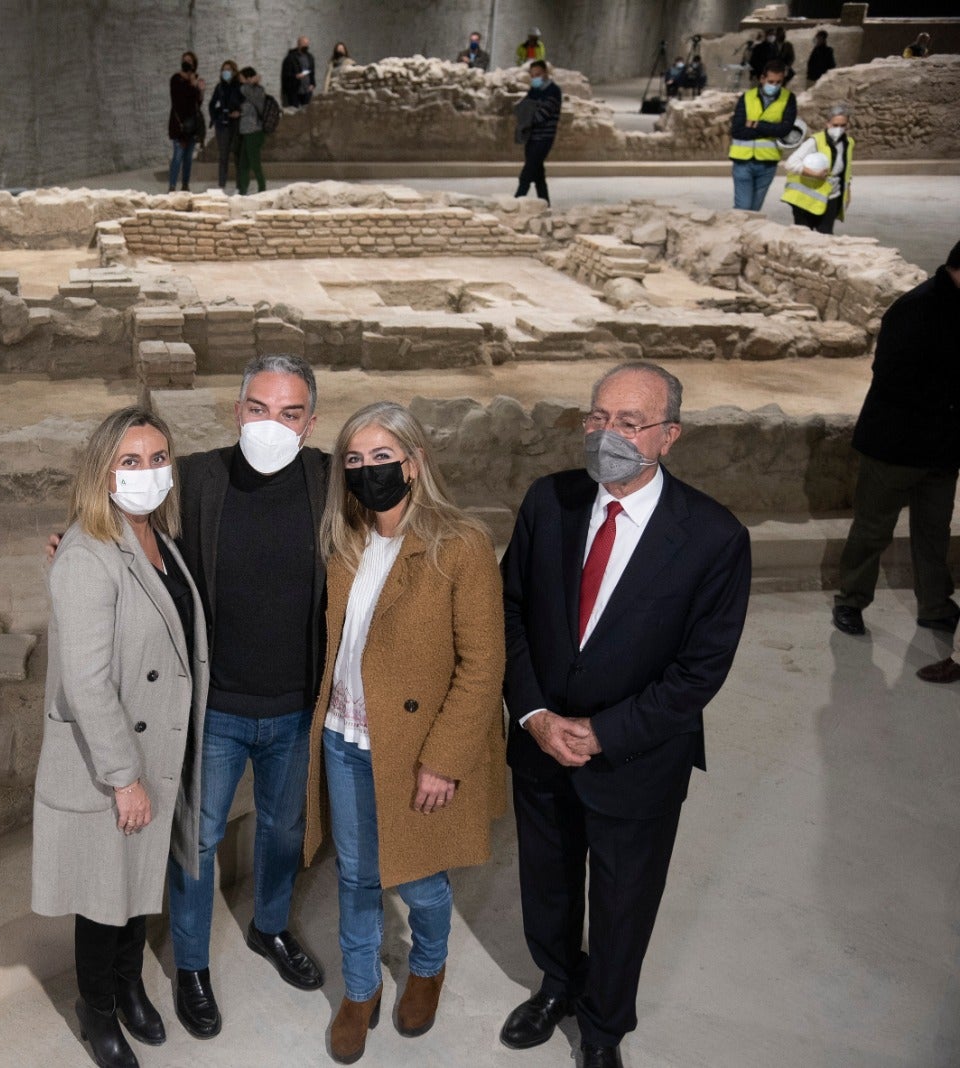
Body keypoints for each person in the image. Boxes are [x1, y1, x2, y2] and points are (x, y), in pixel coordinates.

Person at [499, 362, 752, 1068]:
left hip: (637, 761)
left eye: (630, 423)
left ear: (669, 436)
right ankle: (556, 984)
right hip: (540, 744)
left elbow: (700, 669)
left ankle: (604, 1027)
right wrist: (535, 715)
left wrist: (605, 731)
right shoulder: (548, 501)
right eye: (598, 418)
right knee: (546, 883)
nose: (608, 435)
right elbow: (511, 611)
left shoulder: (713, 537)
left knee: (622, 902)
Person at [303, 402, 507, 1064]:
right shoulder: (346, 539)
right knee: (358, 876)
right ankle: (359, 992)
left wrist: (444, 760)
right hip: (344, 736)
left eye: (382, 457)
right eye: (355, 461)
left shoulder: (460, 544)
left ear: (414, 464)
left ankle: (429, 967)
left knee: (417, 875)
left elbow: (483, 667)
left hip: (415, 748)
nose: (369, 472)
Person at [32, 405, 209, 1068]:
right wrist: (124, 776)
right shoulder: (86, 554)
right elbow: (86, 682)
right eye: (130, 461)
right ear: (102, 472)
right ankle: (97, 1010)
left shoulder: (158, 536)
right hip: (113, 762)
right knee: (104, 897)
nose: (147, 472)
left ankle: (131, 985)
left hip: (157, 747)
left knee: (138, 885)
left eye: (158, 458)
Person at [167, 354, 330, 1036]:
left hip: (295, 704)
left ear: (311, 422)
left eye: (290, 413)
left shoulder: (328, 481)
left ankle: (269, 928)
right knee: (198, 840)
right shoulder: (199, 477)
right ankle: (193, 966)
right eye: (259, 409)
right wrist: (80, 540)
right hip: (218, 706)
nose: (272, 424)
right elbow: (136, 528)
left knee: (283, 829)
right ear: (237, 412)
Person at [832, 241, 960, 639]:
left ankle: (934, 605)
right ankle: (851, 601)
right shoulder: (915, 308)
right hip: (897, 445)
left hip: (943, 448)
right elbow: (890, 375)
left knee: (934, 531)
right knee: (872, 529)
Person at [727, 60, 796, 212]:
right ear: (762, 79)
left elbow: (784, 130)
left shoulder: (788, 99)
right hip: (743, 160)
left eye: (779, 82)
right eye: (771, 81)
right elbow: (737, 130)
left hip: (767, 163)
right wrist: (771, 128)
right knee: (743, 208)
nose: (775, 85)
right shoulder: (747, 97)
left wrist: (755, 124)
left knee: (754, 211)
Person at [781, 104, 853, 234]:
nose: (839, 129)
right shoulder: (815, 141)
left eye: (843, 125)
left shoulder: (848, 143)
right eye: (835, 125)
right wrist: (814, 173)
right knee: (803, 235)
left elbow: (846, 170)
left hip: (832, 195)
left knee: (825, 235)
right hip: (806, 198)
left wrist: (848, 191)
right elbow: (790, 164)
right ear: (827, 124)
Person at [514, 61, 562, 205]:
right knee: (538, 174)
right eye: (533, 75)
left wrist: (528, 116)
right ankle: (545, 203)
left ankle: (515, 203)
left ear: (545, 73)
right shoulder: (534, 90)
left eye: (538, 75)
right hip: (532, 137)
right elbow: (522, 108)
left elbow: (541, 115)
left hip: (543, 138)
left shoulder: (553, 91)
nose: (535, 78)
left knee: (527, 173)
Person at [168, 52, 205, 193]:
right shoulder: (176, 79)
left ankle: (185, 185)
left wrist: (200, 91)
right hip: (179, 125)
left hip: (192, 125)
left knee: (188, 158)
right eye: (184, 60)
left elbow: (197, 104)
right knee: (177, 156)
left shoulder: (195, 80)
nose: (187, 62)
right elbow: (179, 101)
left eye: (189, 61)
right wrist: (191, 85)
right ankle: (172, 186)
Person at [208, 61, 243, 192]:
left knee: (238, 154)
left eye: (228, 69)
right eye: (223, 70)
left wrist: (239, 112)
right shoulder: (220, 87)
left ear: (234, 71)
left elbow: (245, 103)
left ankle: (240, 185)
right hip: (222, 125)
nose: (225, 72)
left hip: (236, 124)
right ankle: (221, 185)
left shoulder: (239, 86)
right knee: (223, 155)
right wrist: (216, 116)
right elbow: (212, 104)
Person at [236, 67, 269, 196]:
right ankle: (243, 190)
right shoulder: (250, 89)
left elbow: (245, 90)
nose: (241, 81)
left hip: (254, 131)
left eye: (242, 78)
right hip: (247, 132)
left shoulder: (257, 91)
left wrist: (249, 82)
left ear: (249, 78)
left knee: (255, 163)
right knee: (243, 163)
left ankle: (262, 188)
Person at [281, 36, 315, 107]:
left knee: (307, 111)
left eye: (307, 44)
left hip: (307, 90)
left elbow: (312, 72)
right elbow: (285, 74)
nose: (306, 46)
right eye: (304, 44)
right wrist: (295, 76)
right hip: (295, 90)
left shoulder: (310, 57)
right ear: (299, 44)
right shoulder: (290, 58)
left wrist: (312, 84)